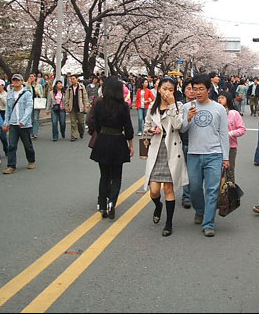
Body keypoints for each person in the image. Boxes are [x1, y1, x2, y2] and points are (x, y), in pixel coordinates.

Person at [181, 74, 230, 237]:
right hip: (194, 153)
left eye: (201, 89)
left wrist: (226, 157)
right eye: (195, 89)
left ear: (208, 90)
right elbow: (182, 130)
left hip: (214, 154)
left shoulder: (219, 108)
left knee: (212, 189)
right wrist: (188, 118)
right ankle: (200, 210)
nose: (198, 92)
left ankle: (208, 223)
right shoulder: (187, 107)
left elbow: (224, 133)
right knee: (194, 188)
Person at [143, 77, 188, 237]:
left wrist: (171, 105)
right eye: (164, 88)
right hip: (156, 150)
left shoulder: (178, 106)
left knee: (168, 189)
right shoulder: (152, 107)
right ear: (158, 89)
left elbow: (178, 126)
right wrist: (151, 130)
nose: (167, 92)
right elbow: (146, 127)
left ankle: (169, 223)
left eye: (171, 89)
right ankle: (157, 206)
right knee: (154, 190)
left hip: (172, 150)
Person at [90, 76, 134, 219]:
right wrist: (131, 145)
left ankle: (102, 205)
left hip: (102, 140)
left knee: (104, 175)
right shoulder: (123, 106)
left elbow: (96, 124)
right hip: (118, 140)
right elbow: (128, 128)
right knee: (116, 175)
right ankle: (112, 202)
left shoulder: (99, 104)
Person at [2, 73, 36, 174]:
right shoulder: (10, 94)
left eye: (17, 80)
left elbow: (29, 108)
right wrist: (6, 122)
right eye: (14, 80)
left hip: (24, 124)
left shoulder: (27, 93)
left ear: (21, 81)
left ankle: (31, 160)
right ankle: (11, 165)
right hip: (13, 123)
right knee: (12, 145)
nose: (15, 82)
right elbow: (8, 109)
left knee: (27, 144)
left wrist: (23, 120)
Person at [179, 78, 195, 207]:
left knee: (196, 173)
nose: (191, 92)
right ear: (184, 91)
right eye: (188, 89)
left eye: (193, 89)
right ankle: (186, 196)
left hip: (198, 143)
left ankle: (196, 194)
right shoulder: (180, 106)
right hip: (184, 142)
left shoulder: (201, 105)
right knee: (186, 171)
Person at [64, 75, 89, 141]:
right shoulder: (69, 88)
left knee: (81, 122)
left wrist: (85, 106)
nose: (72, 80)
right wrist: (66, 107)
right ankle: (73, 135)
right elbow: (66, 98)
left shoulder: (81, 87)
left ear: (77, 79)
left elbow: (85, 97)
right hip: (72, 107)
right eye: (71, 79)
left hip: (80, 107)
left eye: (73, 79)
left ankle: (81, 132)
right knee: (73, 122)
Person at [26, 73, 44, 139]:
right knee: (30, 118)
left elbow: (42, 95)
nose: (31, 77)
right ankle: (30, 133)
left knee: (36, 118)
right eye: (30, 76)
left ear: (35, 77)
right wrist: (28, 84)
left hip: (36, 102)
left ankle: (35, 133)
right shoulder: (27, 85)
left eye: (32, 76)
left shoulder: (39, 86)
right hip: (29, 103)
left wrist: (38, 94)